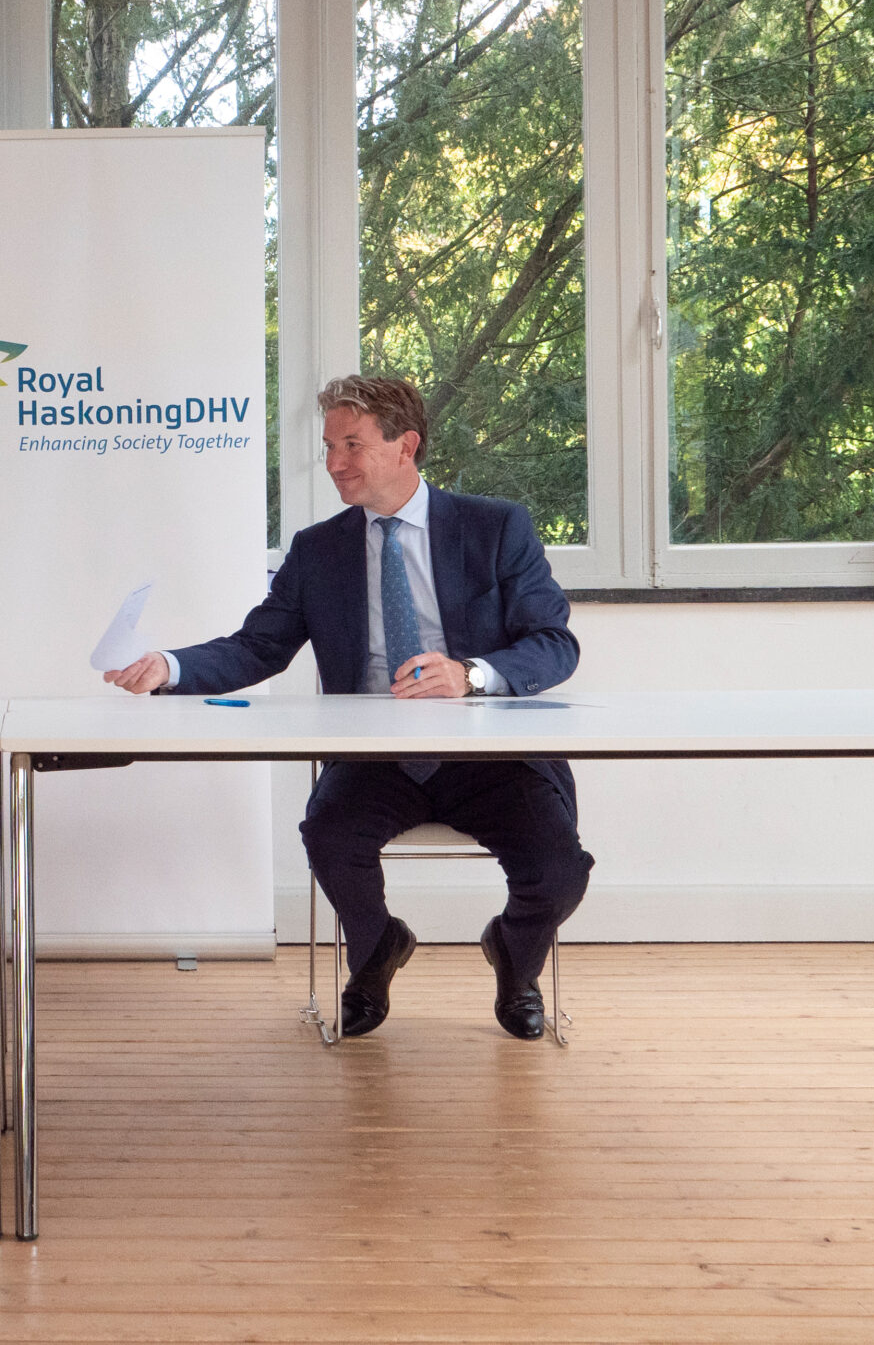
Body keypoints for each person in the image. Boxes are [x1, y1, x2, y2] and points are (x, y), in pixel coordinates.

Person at [104, 374, 592, 1040]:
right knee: (329, 836)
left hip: (488, 753)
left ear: (405, 446)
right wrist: (171, 666)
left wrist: (471, 674)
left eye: (352, 445)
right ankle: (375, 949)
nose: (335, 463)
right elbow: (258, 646)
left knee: (558, 869)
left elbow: (553, 643)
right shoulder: (318, 549)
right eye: (329, 447)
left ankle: (514, 953)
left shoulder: (495, 528)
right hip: (374, 756)